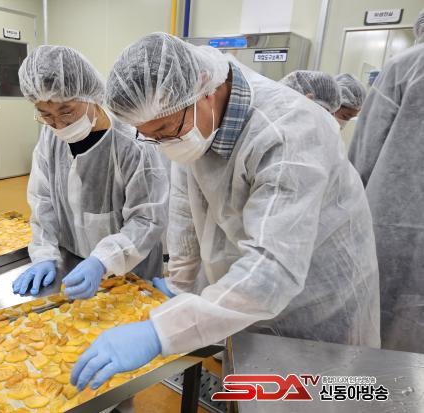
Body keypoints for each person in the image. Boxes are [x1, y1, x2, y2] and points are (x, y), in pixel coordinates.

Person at [69, 32, 380, 392]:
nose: (162, 143)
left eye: (165, 130)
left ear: (205, 89)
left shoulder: (288, 131)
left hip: (317, 306)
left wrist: (161, 331)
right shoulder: (191, 123)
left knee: (310, 396)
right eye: (149, 135)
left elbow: (274, 267)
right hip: (246, 293)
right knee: (251, 390)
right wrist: (181, 284)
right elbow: (185, 212)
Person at [12, 45, 169, 298]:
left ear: (91, 96)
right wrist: (44, 253)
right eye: (45, 115)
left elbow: (147, 220)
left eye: (66, 111)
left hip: (131, 271)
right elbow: (43, 201)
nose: (59, 124)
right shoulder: (51, 138)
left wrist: (103, 261)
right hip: (72, 265)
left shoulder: (133, 143)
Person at [348, 11, 424, 353]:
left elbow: (364, 152)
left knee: (384, 326)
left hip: (394, 228)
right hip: (397, 230)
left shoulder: (405, 66)